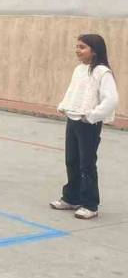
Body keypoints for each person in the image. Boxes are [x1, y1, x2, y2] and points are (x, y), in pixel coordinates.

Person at [51, 34, 119, 220]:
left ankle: (90, 204)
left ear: (94, 50)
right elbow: (73, 91)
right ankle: (72, 198)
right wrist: (64, 106)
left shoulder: (102, 72)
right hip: (73, 119)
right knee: (71, 160)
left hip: (89, 124)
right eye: (77, 46)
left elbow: (111, 100)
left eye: (82, 47)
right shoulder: (79, 69)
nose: (77, 50)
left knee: (87, 164)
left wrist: (91, 116)